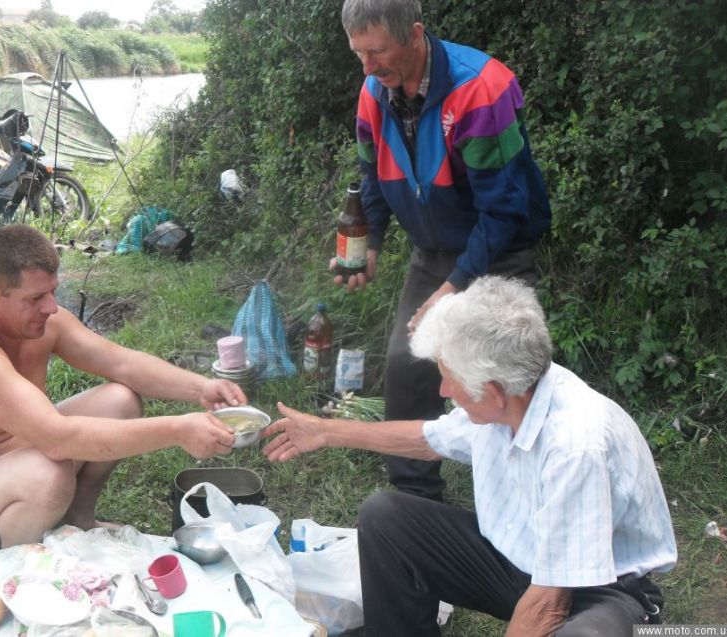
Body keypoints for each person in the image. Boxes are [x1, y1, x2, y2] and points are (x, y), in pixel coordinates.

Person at [264, 276, 677, 636]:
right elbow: (428, 439)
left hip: (599, 590)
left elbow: (550, 603)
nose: (443, 391)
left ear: (493, 391)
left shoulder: (575, 445)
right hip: (522, 562)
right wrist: (326, 431)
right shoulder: (510, 395)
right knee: (385, 517)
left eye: (448, 378)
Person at [0, 224, 245, 552]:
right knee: (47, 473)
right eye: (35, 298)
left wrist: (201, 388)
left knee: (120, 401)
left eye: (52, 292)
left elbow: (122, 363)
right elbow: (57, 439)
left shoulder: (44, 322)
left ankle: (79, 518)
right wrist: (178, 430)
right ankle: (19, 570)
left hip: (16, 460)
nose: (51, 307)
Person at [333, 0, 552, 500]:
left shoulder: (481, 89)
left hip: (499, 251)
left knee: (505, 378)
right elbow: (373, 176)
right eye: (358, 53)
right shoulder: (373, 92)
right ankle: (413, 499)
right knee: (407, 364)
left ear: (415, 33)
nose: (367, 68)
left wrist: (455, 286)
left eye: (377, 51)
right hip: (433, 252)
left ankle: (530, 492)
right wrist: (371, 244)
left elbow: (504, 210)